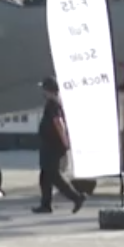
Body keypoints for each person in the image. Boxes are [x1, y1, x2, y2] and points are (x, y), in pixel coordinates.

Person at [33, 77, 85, 214]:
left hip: (53, 145)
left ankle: (76, 197)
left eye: (44, 89)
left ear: (48, 90)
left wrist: (64, 141)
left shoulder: (53, 104)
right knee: (45, 176)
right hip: (50, 144)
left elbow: (58, 122)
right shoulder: (55, 103)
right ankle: (46, 204)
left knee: (54, 175)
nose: (43, 92)